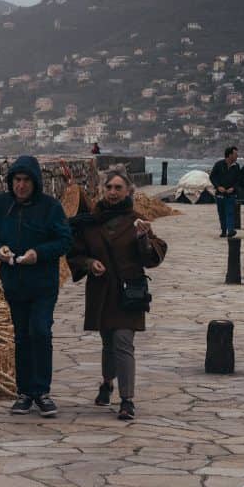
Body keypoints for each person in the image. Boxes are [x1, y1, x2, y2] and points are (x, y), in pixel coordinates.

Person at [67, 169, 167, 420]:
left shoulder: (137, 220)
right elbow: (75, 255)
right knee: (108, 342)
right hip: (102, 292)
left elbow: (152, 258)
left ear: (129, 191)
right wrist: (90, 264)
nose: (112, 192)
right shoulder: (89, 221)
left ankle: (127, 400)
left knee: (123, 341)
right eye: (109, 187)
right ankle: (106, 382)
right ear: (103, 190)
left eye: (118, 188)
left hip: (129, 292)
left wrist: (144, 238)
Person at [0, 156, 73, 417]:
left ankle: (42, 391)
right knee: (22, 337)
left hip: (43, 283)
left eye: (26, 181)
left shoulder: (50, 207)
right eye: (17, 180)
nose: (21, 186)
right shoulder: (0, 205)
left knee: (41, 331)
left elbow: (64, 240)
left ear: (35, 182)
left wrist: (38, 253)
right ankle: (24, 393)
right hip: (14, 283)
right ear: (11, 182)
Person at [209, 146, 240, 237]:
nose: (237, 156)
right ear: (230, 155)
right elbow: (212, 177)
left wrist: (233, 188)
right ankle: (223, 231)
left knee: (230, 212)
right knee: (222, 213)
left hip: (231, 194)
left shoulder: (236, 166)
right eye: (235, 154)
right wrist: (218, 187)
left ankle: (230, 231)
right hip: (220, 194)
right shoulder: (219, 164)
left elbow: (239, 180)